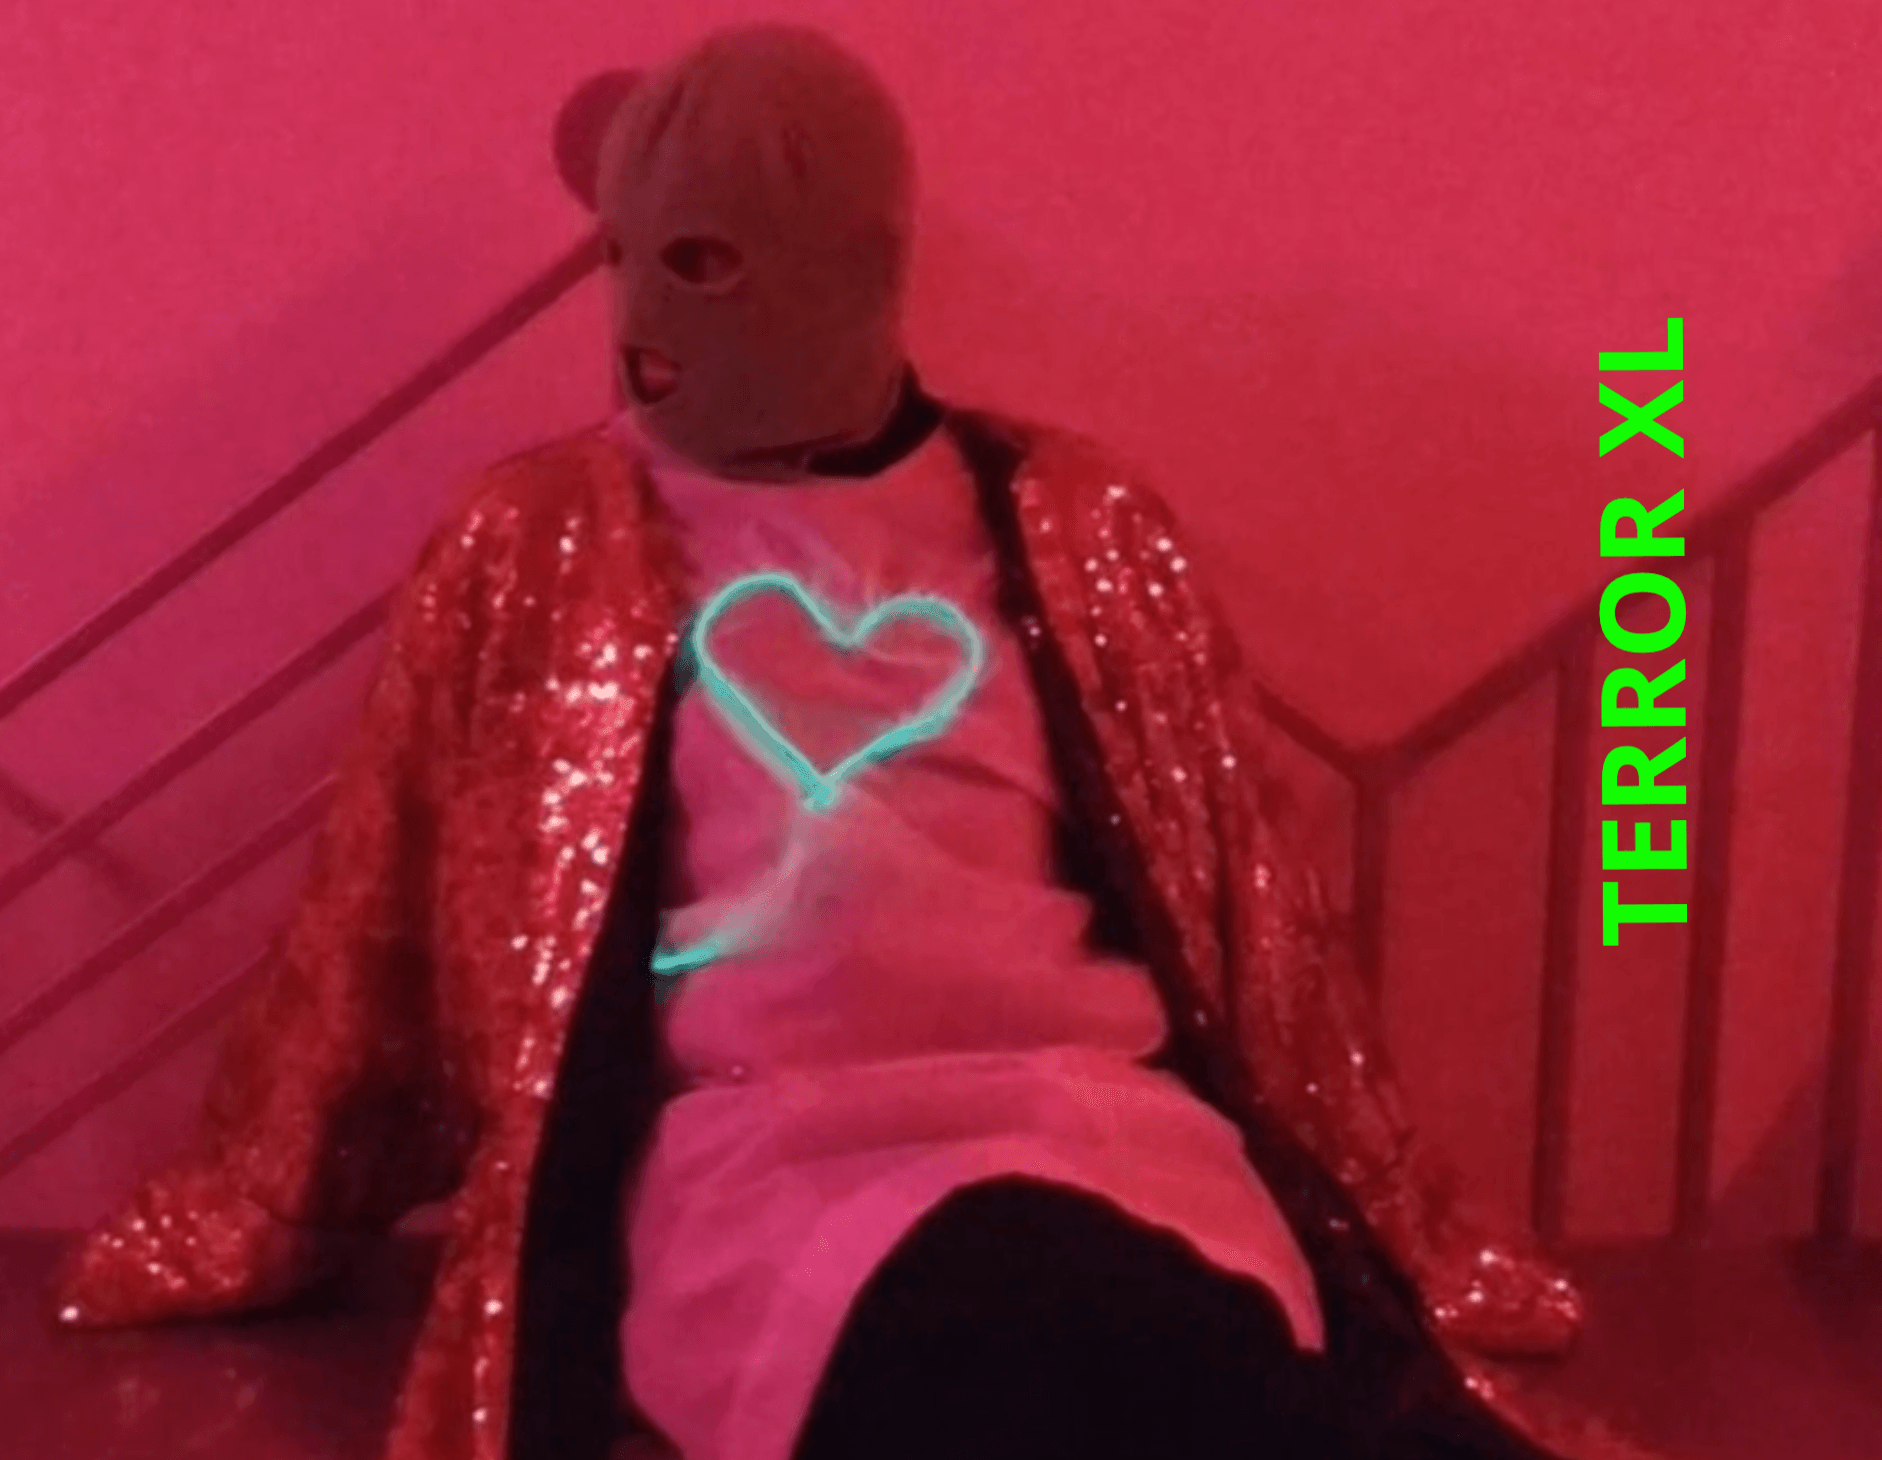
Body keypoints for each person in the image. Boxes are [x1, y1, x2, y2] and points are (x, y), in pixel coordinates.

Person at [50, 23, 1648, 1460]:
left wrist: (1402, 1220)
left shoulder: (1073, 524)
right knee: (970, 1337)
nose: (641, 316)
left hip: (1090, 1114)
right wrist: (262, 1205)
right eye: (622, 258)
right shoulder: (539, 544)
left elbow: (1251, 920)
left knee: (1146, 1320)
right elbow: (379, 918)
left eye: (698, 262)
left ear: (857, 263)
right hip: (764, 1149)